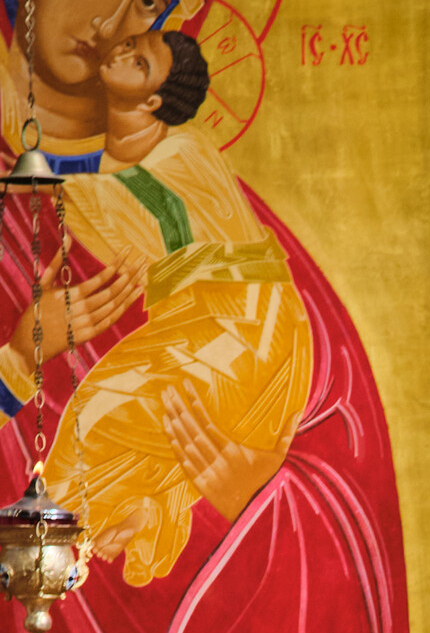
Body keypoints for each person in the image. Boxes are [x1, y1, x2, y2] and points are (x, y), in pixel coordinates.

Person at [0, 0, 413, 633]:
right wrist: (18, 358)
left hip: (208, 632)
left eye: (149, 1)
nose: (116, 15)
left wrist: (257, 487)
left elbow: (341, 455)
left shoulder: (209, 198)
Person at [42, 29, 314, 590]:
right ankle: (146, 510)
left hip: (248, 328)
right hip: (199, 326)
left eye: (139, 62)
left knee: (94, 415)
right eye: (130, 44)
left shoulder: (182, 151)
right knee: (118, 428)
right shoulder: (116, 161)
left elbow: (99, 191)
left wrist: (32, 167)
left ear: (151, 101)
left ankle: (51, 552)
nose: (122, 52)